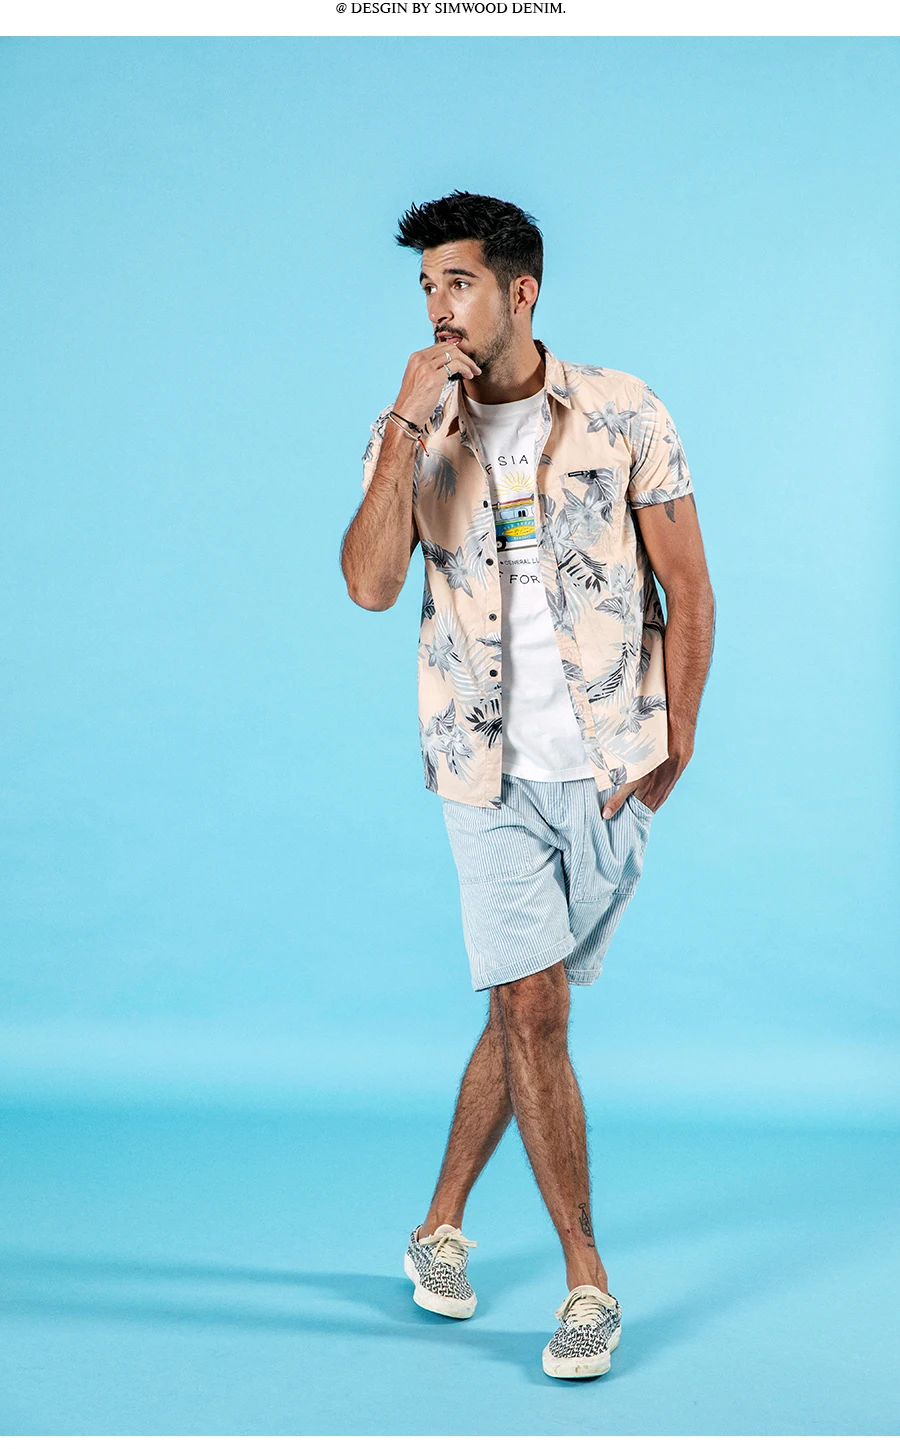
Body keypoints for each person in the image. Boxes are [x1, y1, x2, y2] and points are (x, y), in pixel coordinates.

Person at [340, 190, 715, 1380]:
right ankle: (588, 1284)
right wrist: (405, 427)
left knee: (519, 1016)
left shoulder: (624, 410)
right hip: (481, 771)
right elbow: (368, 584)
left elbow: (689, 585)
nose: (438, 309)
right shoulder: (418, 427)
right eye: (426, 288)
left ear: (521, 292)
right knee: (537, 1011)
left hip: (606, 772)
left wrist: (677, 740)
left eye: (457, 283)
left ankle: (438, 1224)